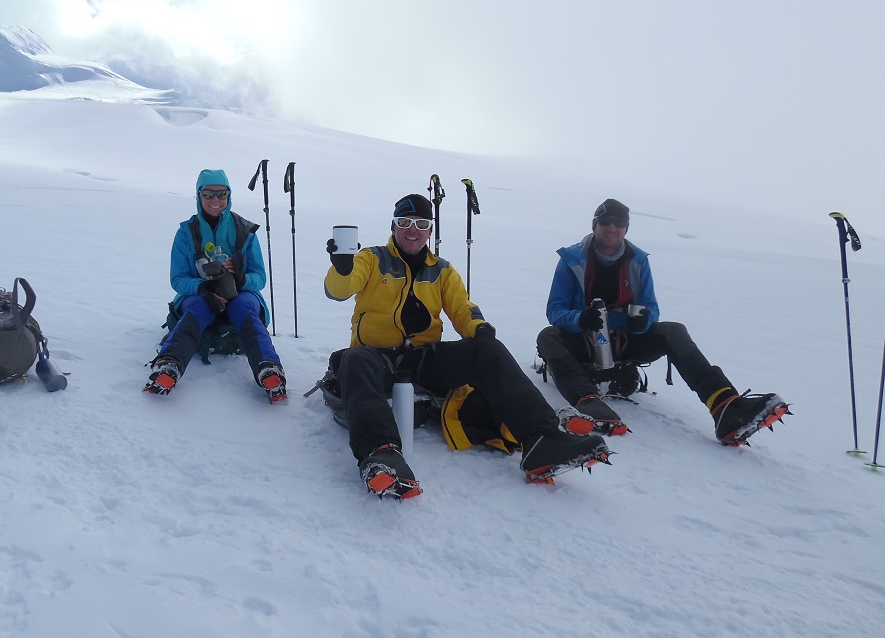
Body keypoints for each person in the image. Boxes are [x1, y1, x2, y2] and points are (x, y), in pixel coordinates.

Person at [324, 193, 611, 498]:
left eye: (421, 224)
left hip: (421, 358)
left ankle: (543, 439)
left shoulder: (442, 270)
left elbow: (463, 309)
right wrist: (342, 268)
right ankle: (381, 453)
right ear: (393, 226)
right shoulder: (371, 258)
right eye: (404, 222)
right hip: (374, 357)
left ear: (430, 231)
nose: (413, 230)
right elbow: (339, 290)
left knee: (488, 349)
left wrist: (480, 329)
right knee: (354, 360)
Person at [536, 198, 790, 444]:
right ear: (595, 225)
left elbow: (651, 307)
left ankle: (725, 406)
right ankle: (588, 402)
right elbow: (555, 309)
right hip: (586, 339)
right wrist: (580, 319)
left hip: (624, 341)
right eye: (605, 221)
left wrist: (643, 322)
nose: (612, 227)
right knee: (548, 336)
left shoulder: (637, 261)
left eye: (619, 222)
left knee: (673, 331)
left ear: (626, 228)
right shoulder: (571, 259)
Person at [145, 169, 287, 402]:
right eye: (208, 194)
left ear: (229, 196)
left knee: (244, 308)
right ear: (198, 196)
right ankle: (168, 366)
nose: (215, 200)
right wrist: (202, 288)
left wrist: (242, 279)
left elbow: (259, 278)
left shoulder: (245, 230)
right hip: (198, 295)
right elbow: (178, 279)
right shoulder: (186, 232)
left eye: (221, 194)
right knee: (198, 308)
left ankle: (269, 370)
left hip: (240, 295)